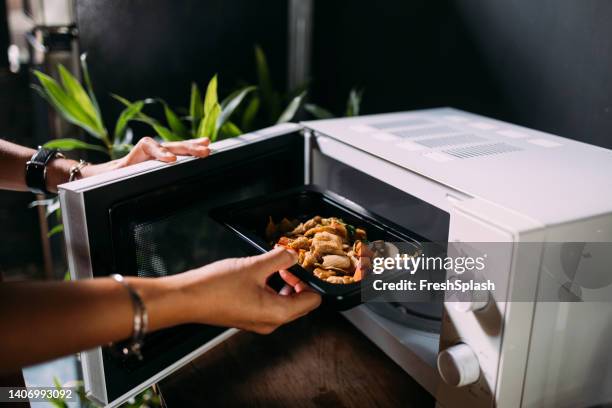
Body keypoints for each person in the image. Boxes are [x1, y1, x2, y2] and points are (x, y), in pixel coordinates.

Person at [0, 136, 321, 374]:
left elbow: (372, 271)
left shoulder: (371, 265)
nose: (375, 271)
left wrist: (73, 173)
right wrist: (193, 296)